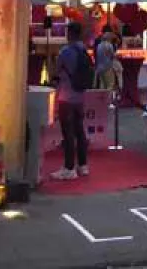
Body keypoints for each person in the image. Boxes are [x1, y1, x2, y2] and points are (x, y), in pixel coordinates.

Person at [51, 22, 91, 180]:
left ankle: (69, 168)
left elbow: (56, 71)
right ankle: (83, 165)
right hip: (80, 97)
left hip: (66, 96)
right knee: (80, 131)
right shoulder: (83, 50)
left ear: (69, 34)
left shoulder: (65, 51)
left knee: (68, 133)